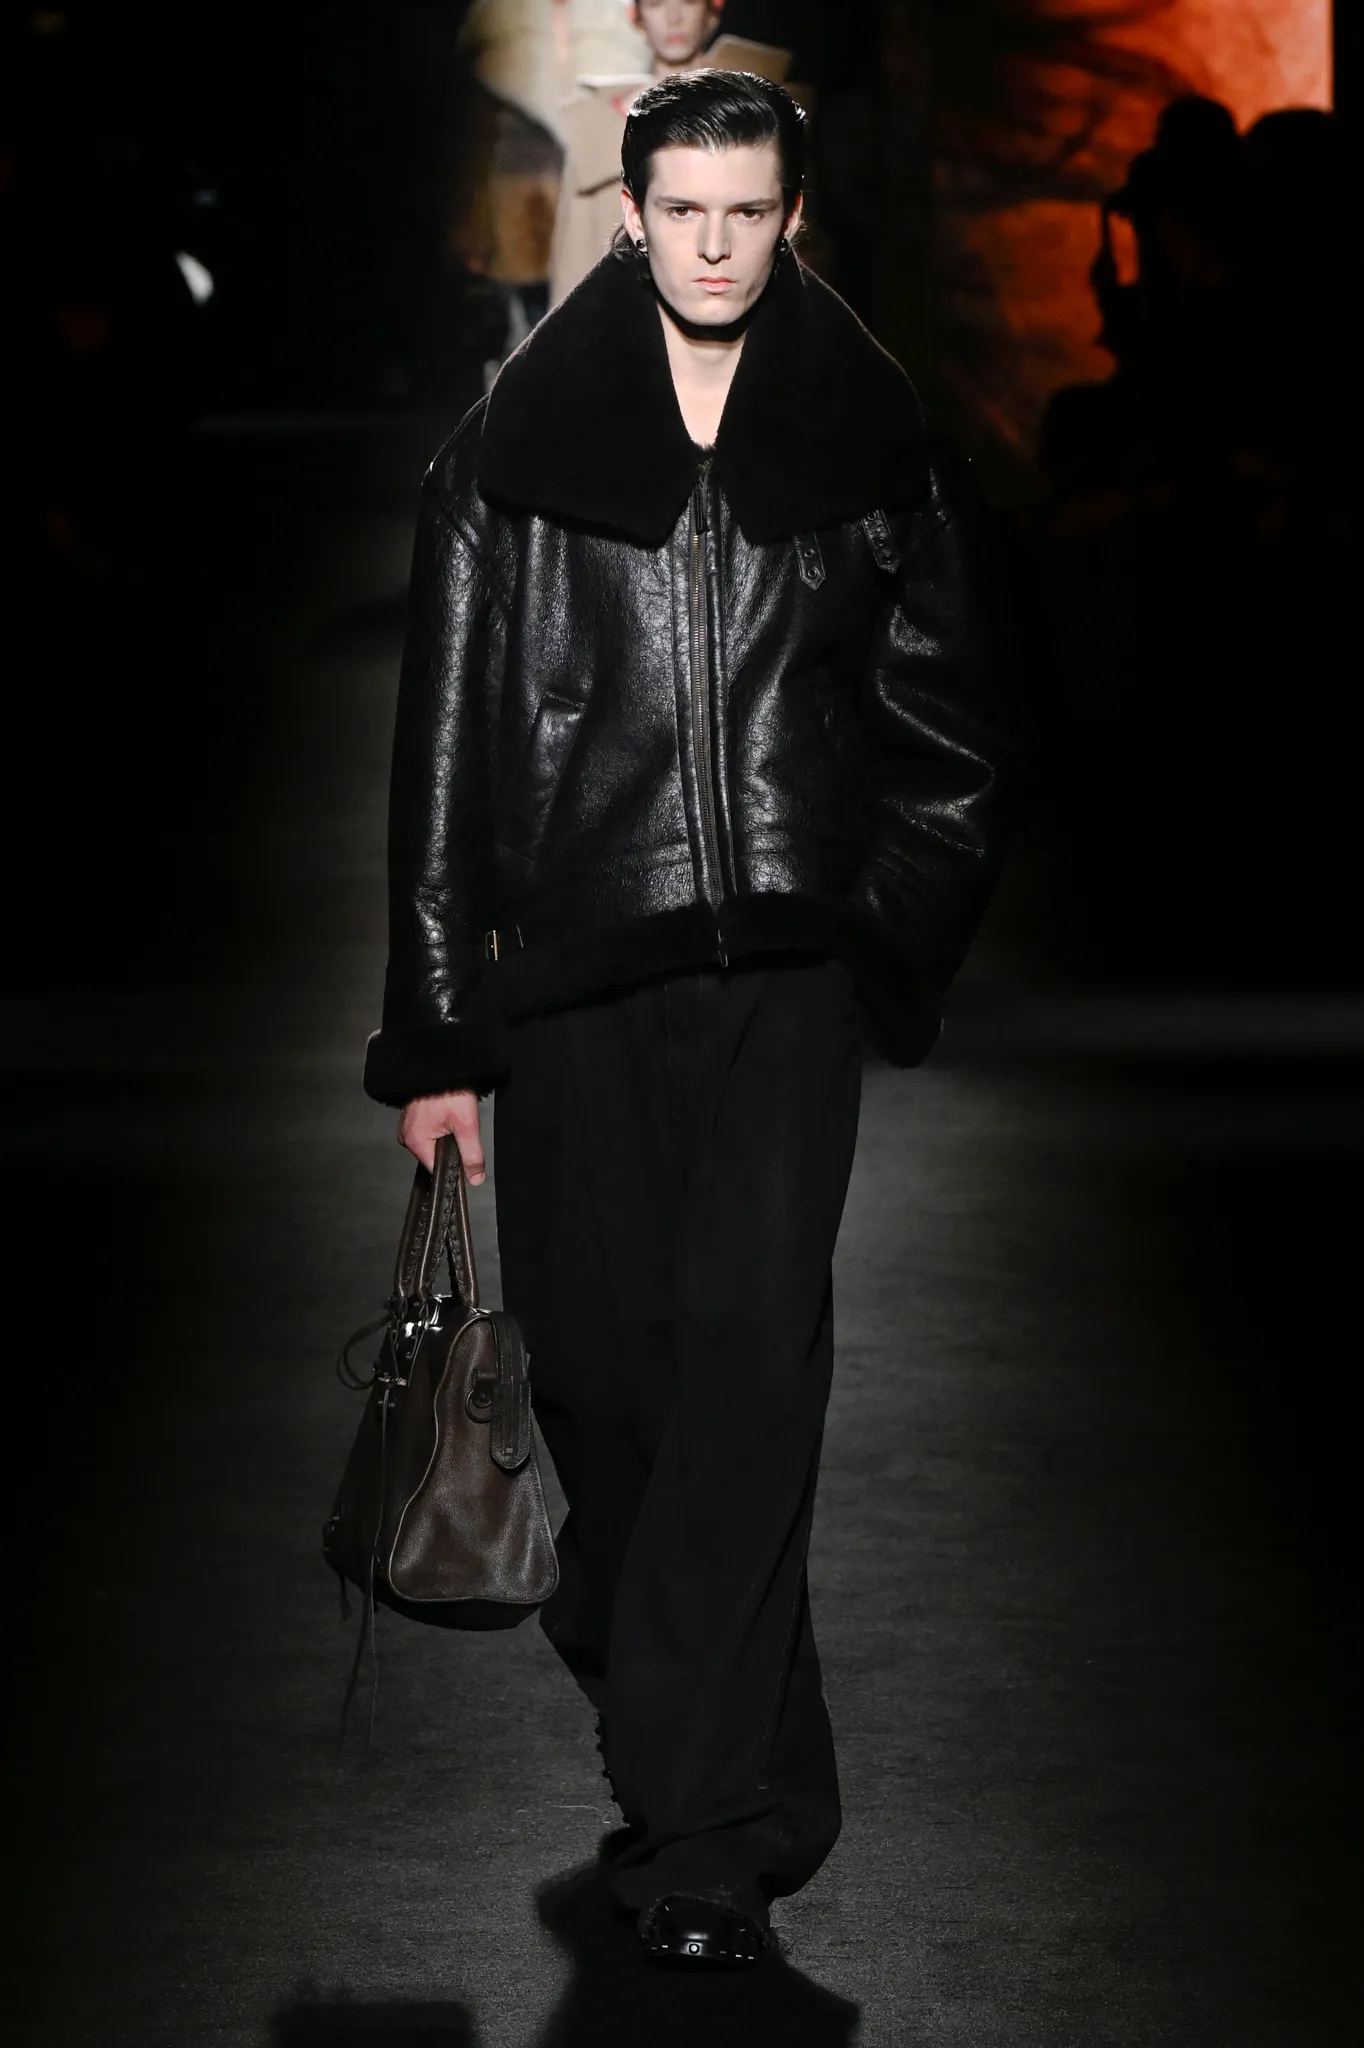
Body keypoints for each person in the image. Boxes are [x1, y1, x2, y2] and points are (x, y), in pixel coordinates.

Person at [366, 69, 1009, 1969]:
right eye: (685, 212)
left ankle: (706, 1836)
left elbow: (952, 736)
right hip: (578, 977)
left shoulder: (864, 436)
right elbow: (442, 749)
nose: (715, 246)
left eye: (748, 212)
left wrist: (867, 937)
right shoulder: (514, 448)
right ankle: (694, 1688)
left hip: (782, 993)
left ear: (790, 218)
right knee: (603, 1389)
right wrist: (437, 1036)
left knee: (746, 1374)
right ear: (631, 214)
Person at [549, 0, 805, 302]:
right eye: (656, 4)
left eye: (688, 1)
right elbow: (574, 261)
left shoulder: (767, 112)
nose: (673, 17)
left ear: (712, 12)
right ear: (637, 17)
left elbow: (801, 251)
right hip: (625, 318)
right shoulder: (598, 124)